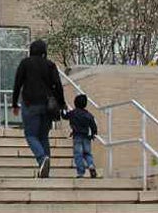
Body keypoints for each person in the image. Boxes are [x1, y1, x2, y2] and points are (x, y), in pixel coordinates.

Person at [11, 39, 65, 178]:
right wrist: (62, 103)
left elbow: (18, 83)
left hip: (30, 103)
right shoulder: (50, 65)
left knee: (31, 135)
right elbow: (58, 85)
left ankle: (42, 159)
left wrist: (14, 103)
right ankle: (45, 168)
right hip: (47, 105)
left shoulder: (25, 63)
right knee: (43, 136)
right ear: (44, 51)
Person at [62, 94, 98, 178]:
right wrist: (93, 134)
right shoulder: (88, 114)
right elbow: (93, 125)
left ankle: (80, 172)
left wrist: (63, 109)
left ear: (75, 103)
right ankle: (91, 165)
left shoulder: (73, 113)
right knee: (87, 153)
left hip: (77, 136)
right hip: (86, 137)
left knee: (78, 154)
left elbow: (64, 116)